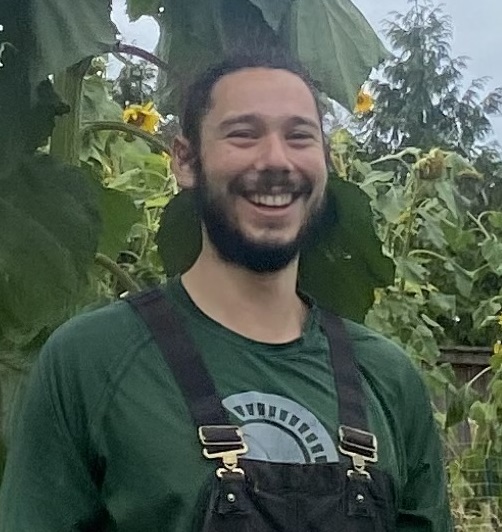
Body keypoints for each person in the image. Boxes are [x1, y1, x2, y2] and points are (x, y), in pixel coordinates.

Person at [0, 52, 453, 531]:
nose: (276, 160)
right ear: (185, 160)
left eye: (299, 136)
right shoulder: (90, 360)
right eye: (244, 134)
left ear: (325, 162)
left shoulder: (386, 377)